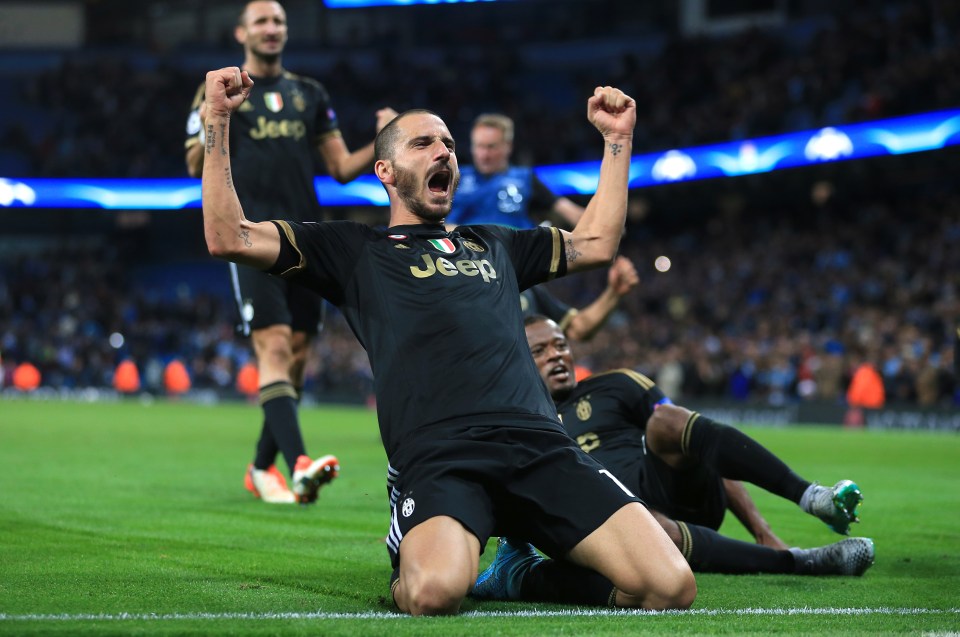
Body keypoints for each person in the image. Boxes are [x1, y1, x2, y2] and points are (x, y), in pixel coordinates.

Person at [200, 66, 695, 615]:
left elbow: (596, 243)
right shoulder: (354, 249)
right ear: (384, 170)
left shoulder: (495, 244)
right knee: (433, 594)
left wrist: (617, 140)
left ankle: (524, 576)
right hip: (440, 453)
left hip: (539, 445)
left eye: (449, 144)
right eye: (424, 142)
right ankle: (446, 557)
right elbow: (230, 236)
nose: (444, 152)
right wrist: (217, 119)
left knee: (671, 587)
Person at [477, 315, 874, 595]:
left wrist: (761, 529)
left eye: (560, 345)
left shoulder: (617, 384)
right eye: (540, 351)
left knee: (666, 421)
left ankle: (811, 496)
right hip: (616, 520)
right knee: (647, 525)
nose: (556, 356)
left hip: (673, 486)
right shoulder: (523, 418)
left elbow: (697, 439)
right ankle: (805, 561)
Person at [184, 1, 397, 504]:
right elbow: (195, 161)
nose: (271, 28)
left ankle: (259, 468)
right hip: (250, 232)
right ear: (242, 32)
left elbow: (343, 167)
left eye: (278, 20)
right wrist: (216, 114)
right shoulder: (218, 89)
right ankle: (299, 463)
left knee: (297, 358)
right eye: (261, 20)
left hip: (305, 237)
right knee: (275, 348)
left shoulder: (309, 94)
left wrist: (384, 138)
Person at [445, 113, 585, 230]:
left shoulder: (525, 179)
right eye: (479, 146)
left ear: (508, 146)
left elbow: (570, 212)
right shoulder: (454, 177)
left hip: (513, 254)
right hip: (463, 255)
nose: (484, 155)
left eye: (491, 147)